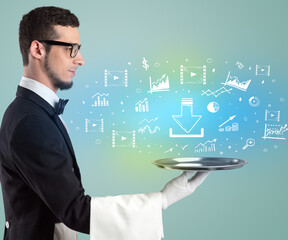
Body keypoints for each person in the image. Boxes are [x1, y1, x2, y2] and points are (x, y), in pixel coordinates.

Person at [0, 6, 210, 240]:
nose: (80, 59)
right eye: (71, 49)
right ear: (38, 49)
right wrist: (162, 200)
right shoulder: (30, 122)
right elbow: (75, 210)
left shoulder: (30, 112)